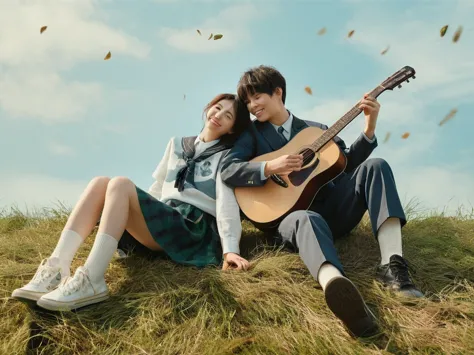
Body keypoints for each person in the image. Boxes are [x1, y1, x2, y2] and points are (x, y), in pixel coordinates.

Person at [220, 65, 424, 338]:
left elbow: (347, 164)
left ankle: (393, 265)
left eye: (256, 96)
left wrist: (369, 127)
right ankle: (335, 284)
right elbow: (229, 170)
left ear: (277, 92)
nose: (252, 105)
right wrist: (271, 167)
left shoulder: (316, 130)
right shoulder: (252, 136)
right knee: (305, 218)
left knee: (376, 165)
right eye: (247, 101)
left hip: (335, 211)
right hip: (290, 220)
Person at [12, 93, 252, 311]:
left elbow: (226, 204)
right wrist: (134, 215)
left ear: (232, 129)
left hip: (191, 227)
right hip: (166, 217)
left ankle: (92, 279)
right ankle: (56, 267)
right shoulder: (177, 143)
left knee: (120, 183)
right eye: (217, 108)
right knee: (100, 183)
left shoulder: (227, 157)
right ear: (208, 107)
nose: (219, 115)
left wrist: (231, 249)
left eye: (228, 115)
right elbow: (158, 188)